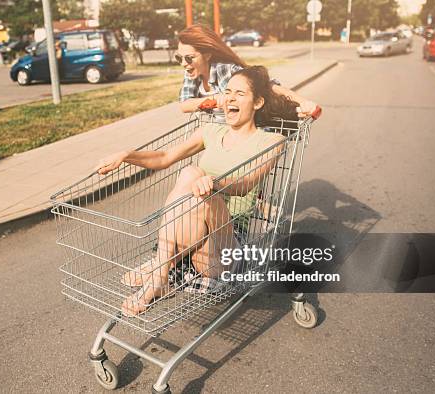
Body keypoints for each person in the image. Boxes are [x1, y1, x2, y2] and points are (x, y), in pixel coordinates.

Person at [96, 65, 302, 316]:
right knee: (190, 176)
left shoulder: (271, 141)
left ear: (258, 102)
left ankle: (160, 268)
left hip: (226, 248)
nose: (230, 99)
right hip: (196, 241)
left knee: (195, 177)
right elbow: (164, 157)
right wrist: (127, 155)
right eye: (227, 92)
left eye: (240, 93)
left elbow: (247, 183)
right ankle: (162, 272)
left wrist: (214, 183)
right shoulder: (211, 132)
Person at [176, 24, 316, 116]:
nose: (183, 63)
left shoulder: (225, 70)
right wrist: (216, 99)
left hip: (242, 134)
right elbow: (184, 105)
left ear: (207, 55)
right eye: (179, 58)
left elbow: (266, 85)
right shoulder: (192, 71)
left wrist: (303, 102)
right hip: (216, 134)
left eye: (189, 58)